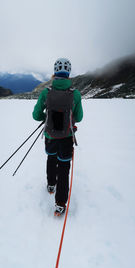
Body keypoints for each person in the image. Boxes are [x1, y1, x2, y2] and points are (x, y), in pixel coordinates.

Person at [32, 58, 83, 216]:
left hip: (50, 135)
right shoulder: (75, 94)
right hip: (67, 137)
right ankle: (60, 204)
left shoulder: (46, 92)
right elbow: (79, 117)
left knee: (51, 158)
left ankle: (51, 184)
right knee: (64, 168)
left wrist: (46, 119)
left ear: (55, 72)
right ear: (68, 73)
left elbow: (36, 115)